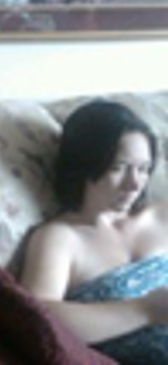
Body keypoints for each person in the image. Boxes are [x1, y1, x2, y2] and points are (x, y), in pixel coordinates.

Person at [21, 99, 168, 364]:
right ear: (84, 166)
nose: (134, 183)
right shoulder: (60, 238)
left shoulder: (161, 215)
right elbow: (35, 316)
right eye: (118, 168)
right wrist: (144, 310)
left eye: (143, 169)